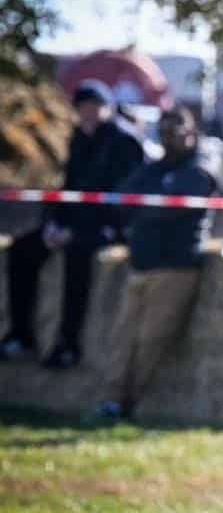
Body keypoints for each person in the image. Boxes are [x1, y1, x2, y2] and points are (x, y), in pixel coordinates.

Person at [2, 81, 147, 369]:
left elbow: (123, 197)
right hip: (71, 224)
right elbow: (68, 189)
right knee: (21, 249)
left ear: (107, 108)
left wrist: (76, 230)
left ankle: (69, 344)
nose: (88, 113)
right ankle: (21, 334)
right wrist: (54, 224)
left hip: (107, 227)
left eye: (94, 107)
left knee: (77, 256)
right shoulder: (78, 139)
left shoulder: (125, 142)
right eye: (83, 108)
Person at [92, 105, 217, 420]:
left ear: (192, 133)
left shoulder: (200, 168)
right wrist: (150, 206)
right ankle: (110, 400)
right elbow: (123, 199)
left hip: (175, 267)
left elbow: (173, 208)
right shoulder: (153, 169)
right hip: (140, 264)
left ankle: (128, 403)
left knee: (150, 339)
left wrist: (146, 209)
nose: (170, 137)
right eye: (165, 131)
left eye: (177, 130)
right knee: (122, 337)